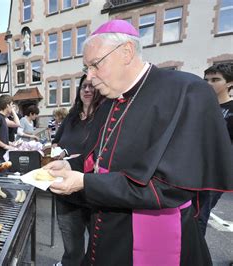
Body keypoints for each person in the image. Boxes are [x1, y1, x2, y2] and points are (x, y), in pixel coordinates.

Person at [46, 20, 233, 265]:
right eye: (86, 68)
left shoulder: (187, 91)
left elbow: (170, 188)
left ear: (126, 52)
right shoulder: (111, 99)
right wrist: (71, 166)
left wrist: (84, 182)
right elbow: (100, 156)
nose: (89, 78)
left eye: (95, 65)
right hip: (106, 229)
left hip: (155, 235)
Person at [52, 75, 103, 265]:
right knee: (71, 244)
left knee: (97, 246)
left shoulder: (103, 117)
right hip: (66, 193)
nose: (87, 90)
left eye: (91, 86)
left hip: (91, 192)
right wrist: (60, 152)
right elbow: (57, 141)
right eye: (84, 87)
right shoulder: (72, 116)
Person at [197, 63, 233, 236]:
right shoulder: (200, 107)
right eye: (206, 80)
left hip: (216, 173)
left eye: (215, 79)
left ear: (229, 83)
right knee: (189, 214)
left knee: (201, 215)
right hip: (194, 168)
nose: (209, 84)